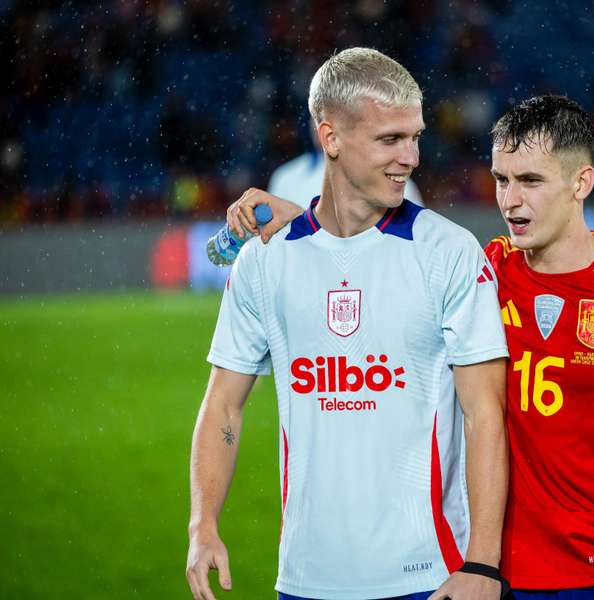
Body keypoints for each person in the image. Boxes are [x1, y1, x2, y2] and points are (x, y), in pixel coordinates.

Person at [232, 95, 594, 600]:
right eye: (502, 179)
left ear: (581, 182)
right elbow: (381, 257)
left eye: (530, 180)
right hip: (502, 576)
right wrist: (307, 217)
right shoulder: (485, 272)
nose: (510, 200)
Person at [186, 48, 510, 600]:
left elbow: (486, 414)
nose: (411, 158)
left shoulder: (449, 252)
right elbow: (223, 404)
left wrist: (481, 566)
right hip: (307, 578)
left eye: (415, 136)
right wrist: (202, 524)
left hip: (430, 576)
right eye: (390, 139)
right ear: (330, 138)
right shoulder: (266, 258)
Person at [269, 119, 424, 209]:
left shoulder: (395, 180)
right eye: (318, 116)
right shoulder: (286, 177)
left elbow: (419, 238)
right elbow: (273, 239)